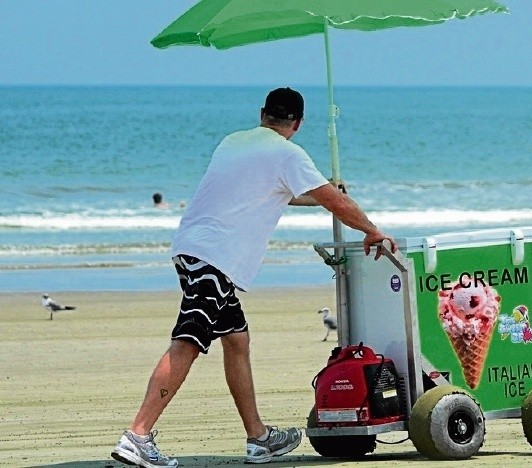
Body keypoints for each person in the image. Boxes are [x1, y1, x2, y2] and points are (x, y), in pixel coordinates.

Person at [111, 87, 397, 467]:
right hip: (213, 259)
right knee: (188, 342)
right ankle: (138, 435)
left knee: (237, 340)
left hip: (192, 251)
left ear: (263, 114)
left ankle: (258, 438)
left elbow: (270, 191)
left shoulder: (233, 142)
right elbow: (335, 202)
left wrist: (318, 193)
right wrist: (372, 230)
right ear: (297, 124)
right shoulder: (287, 153)